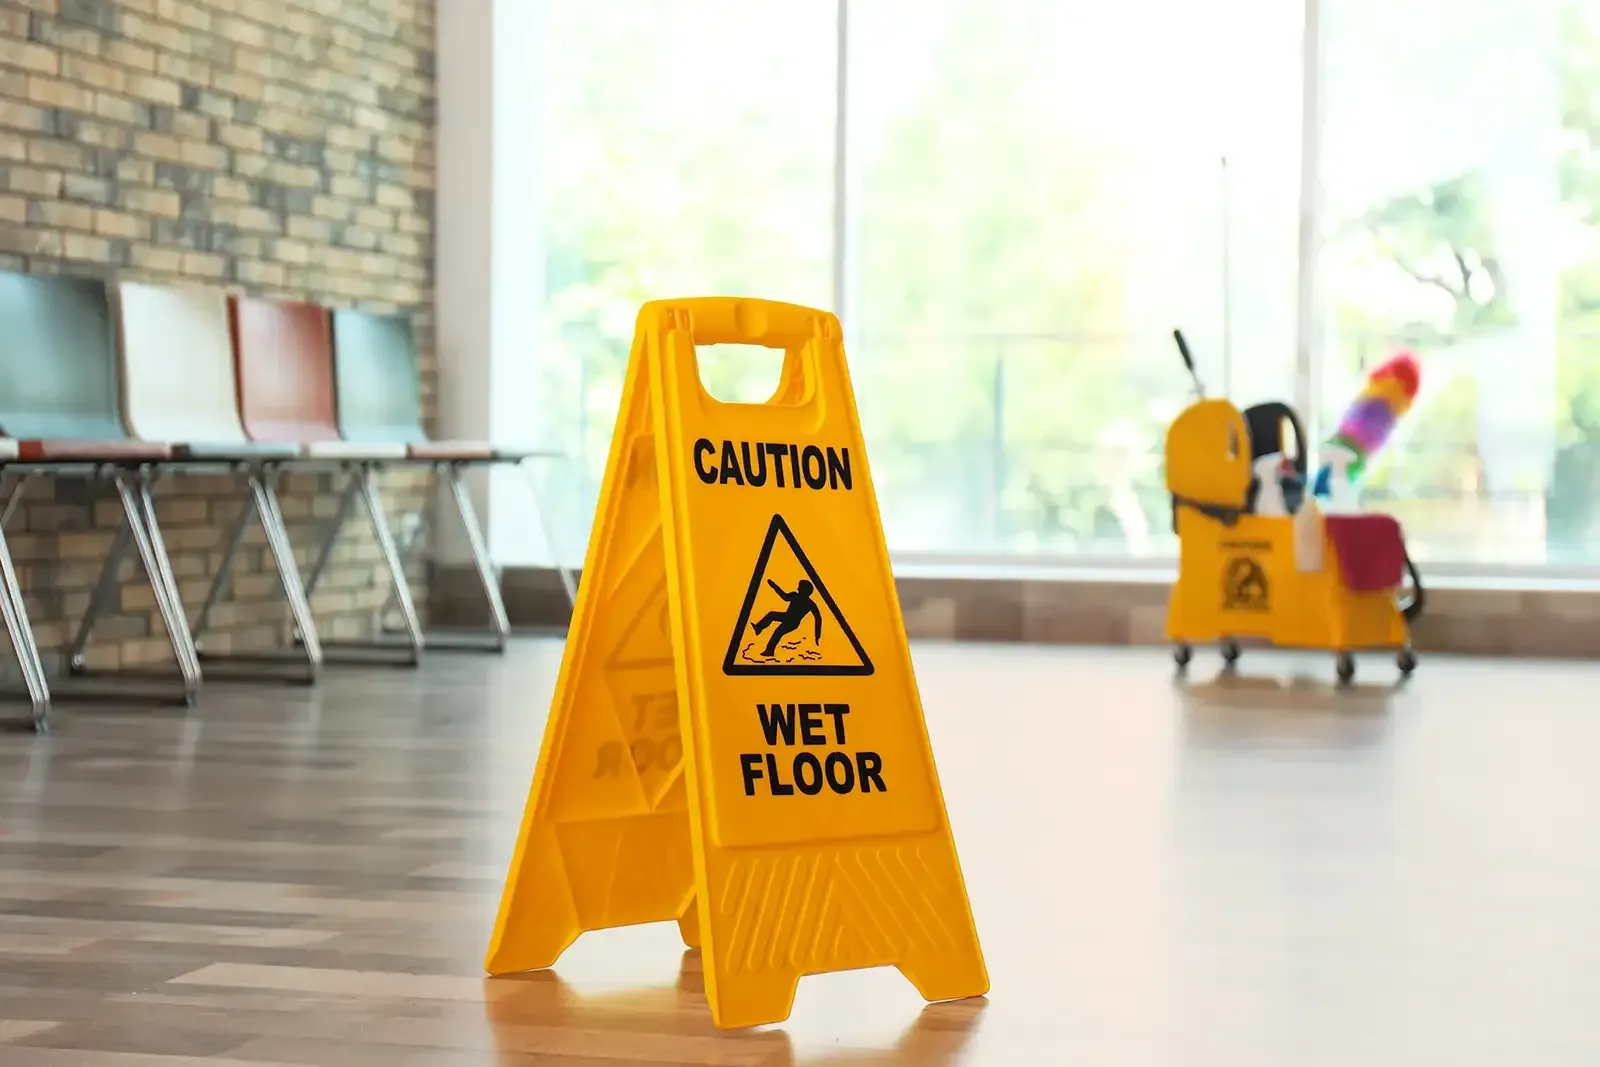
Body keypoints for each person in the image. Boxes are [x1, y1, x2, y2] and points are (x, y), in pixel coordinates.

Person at [751, 579, 822, 657]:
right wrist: (774, 586)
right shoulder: (795, 595)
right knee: (771, 615)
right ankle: (759, 628)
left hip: (793, 622)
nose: (798, 589)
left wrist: (817, 636)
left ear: (805, 590)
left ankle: (769, 651)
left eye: (800, 587)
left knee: (778, 632)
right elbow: (784, 597)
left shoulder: (810, 603)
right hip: (787, 616)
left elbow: (818, 618)